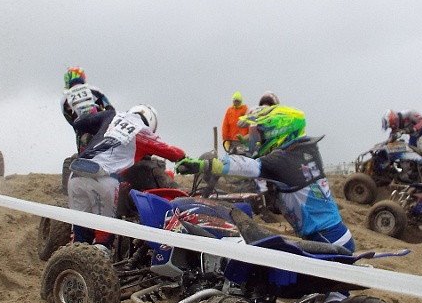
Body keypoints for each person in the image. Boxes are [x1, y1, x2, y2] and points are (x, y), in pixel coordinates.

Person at [176, 105, 355, 252]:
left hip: (327, 240)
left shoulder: (283, 162)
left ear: (278, 133)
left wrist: (203, 165)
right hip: (332, 235)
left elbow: (247, 166)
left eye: (258, 134)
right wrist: (251, 141)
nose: (254, 139)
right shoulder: (304, 152)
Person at [69, 104, 185, 250]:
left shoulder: (110, 116)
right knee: (102, 243)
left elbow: (79, 122)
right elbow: (176, 154)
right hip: (104, 178)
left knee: (80, 241)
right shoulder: (144, 132)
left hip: (76, 174)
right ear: (151, 124)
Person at [61, 66, 114, 153]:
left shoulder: (65, 97)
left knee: (80, 140)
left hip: (80, 121)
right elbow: (109, 107)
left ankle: (82, 152)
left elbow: (68, 116)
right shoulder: (93, 89)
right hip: (99, 117)